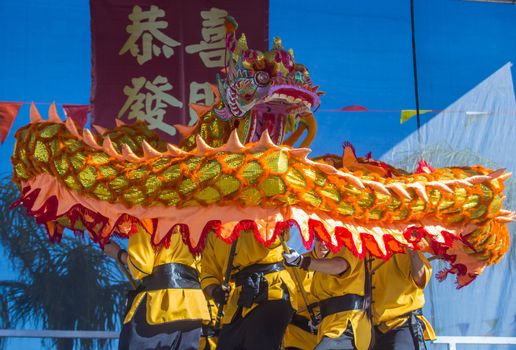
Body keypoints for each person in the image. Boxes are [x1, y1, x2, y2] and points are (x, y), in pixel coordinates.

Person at [104, 224, 209, 350]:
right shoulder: (193, 219)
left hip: (159, 304)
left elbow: (141, 266)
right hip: (193, 305)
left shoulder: (146, 217)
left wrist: (118, 253)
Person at [200, 229, 297, 350]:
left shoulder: (261, 213)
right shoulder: (213, 232)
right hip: (238, 300)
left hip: (273, 290)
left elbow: (279, 234)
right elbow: (208, 274)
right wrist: (215, 291)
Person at [283, 239, 371, 350]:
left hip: (346, 325)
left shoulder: (350, 245)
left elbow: (338, 266)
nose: (323, 243)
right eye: (319, 238)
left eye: (329, 239)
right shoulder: (318, 266)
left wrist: (303, 261)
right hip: (318, 329)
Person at [370, 248, 436, 350]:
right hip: (369, 331)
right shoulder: (361, 246)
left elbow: (419, 277)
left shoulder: (402, 244)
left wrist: (412, 252)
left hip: (401, 324)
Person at [283, 252, 320, 350]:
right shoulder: (296, 262)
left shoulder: (338, 266)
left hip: (328, 336)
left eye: (328, 242)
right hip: (296, 336)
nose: (323, 244)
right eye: (320, 240)